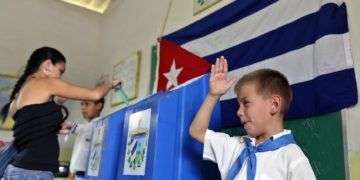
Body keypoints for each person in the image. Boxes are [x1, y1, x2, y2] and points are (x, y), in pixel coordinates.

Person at [1, 47, 120, 180]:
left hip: (16, 169)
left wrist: (54, 126)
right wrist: (111, 84)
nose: (60, 77)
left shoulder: (19, 95)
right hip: (34, 170)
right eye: (60, 71)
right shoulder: (47, 83)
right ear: (47, 65)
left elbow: (30, 127)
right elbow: (95, 94)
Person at [189, 56, 316, 180]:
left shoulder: (292, 157)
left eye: (246, 103)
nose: (239, 112)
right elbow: (197, 131)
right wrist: (213, 95)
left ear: (274, 105)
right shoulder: (234, 147)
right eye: (238, 105)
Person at [67, 98, 105, 180]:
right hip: (74, 175)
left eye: (87, 104)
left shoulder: (102, 127)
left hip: (87, 175)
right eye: (82, 104)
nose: (83, 107)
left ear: (99, 106)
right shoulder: (85, 127)